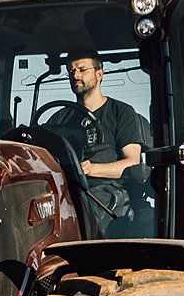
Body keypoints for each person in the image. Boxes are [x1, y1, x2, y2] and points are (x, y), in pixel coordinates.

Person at [49, 50, 147, 229]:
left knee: (80, 214)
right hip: (66, 187)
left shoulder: (121, 113)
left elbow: (132, 163)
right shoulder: (59, 118)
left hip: (108, 189)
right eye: (71, 71)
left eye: (82, 69)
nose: (75, 75)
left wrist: (90, 169)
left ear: (99, 74)